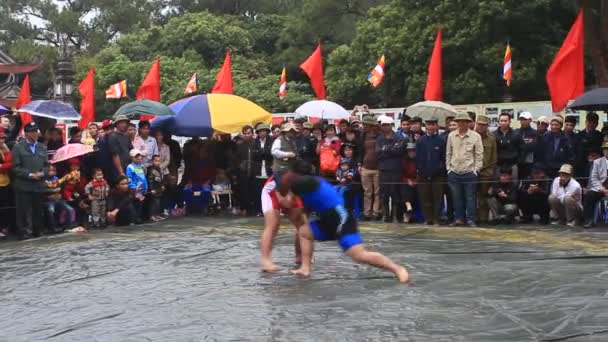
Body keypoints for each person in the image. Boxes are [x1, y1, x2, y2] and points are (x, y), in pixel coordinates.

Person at [276, 172, 409, 283]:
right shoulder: (303, 191)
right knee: (304, 231)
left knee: (358, 255)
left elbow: (289, 202)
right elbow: (298, 212)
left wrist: (283, 198)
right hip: (328, 219)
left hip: (341, 217)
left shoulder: (303, 183)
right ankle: (305, 268)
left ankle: (397, 268)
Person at [259, 173, 308, 273]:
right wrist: (288, 202)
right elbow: (283, 201)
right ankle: (265, 261)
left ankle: (299, 256)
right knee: (273, 224)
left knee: (302, 225)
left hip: (292, 192)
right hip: (273, 191)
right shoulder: (283, 177)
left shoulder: (308, 188)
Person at [446, 113, 483, 227]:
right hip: (454, 171)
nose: (461, 123)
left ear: (468, 123)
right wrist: (449, 169)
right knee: (456, 198)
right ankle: (459, 219)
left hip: (469, 172)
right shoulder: (451, 136)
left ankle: (471, 219)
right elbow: (448, 153)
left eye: (464, 121)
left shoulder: (476, 136)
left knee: (470, 198)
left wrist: (476, 170)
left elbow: (479, 155)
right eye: (459, 121)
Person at [12, 122, 48, 239]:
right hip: (24, 184)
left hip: (38, 184)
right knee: (22, 210)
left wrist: (43, 173)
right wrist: (30, 174)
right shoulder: (18, 147)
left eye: (36, 131)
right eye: (32, 131)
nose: (35, 133)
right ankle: (24, 232)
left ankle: (39, 230)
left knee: (38, 209)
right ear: (26, 133)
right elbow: (15, 167)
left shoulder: (42, 147)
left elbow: (47, 165)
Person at [415, 116, 446, 226]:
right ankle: (428, 219)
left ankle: (436, 219)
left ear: (437, 126)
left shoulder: (441, 140)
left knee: (438, 198)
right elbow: (417, 158)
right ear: (425, 126)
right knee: (425, 198)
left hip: (438, 175)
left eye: (433, 124)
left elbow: (443, 158)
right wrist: (420, 170)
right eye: (428, 124)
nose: (431, 127)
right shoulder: (420, 141)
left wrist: (439, 169)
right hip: (423, 175)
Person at [376, 115, 406, 223]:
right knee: (384, 194)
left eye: (387, 125)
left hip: (395, 169)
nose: (385, 127)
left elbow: (398, 151)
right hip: (383, 169)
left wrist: (386, 150)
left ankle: (396, 216)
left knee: (395, 193)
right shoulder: (379, 138)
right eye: (383, 125)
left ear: (391, 125)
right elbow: (378, 152)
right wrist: (390, 149)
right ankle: (386, 215)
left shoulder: (399, 137)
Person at [358, 116, 382, 221]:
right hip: (365, 167)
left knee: (377, 192)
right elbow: (360, 151)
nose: (364, 126)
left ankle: (376, 212)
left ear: (372, 126)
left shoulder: (379, 136)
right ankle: (367, 213)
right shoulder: (362, 135)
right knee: (367, 192)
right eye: (363, 124)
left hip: (378, 168)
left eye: (366, 124)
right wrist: (359, 164)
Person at [475, 115, 497, 225]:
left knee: (484, 197)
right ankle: (474, 217)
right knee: (472, 197)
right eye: (479, 124)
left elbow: (494, 158)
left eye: (483, 125)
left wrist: (490, 171)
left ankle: (483, 218)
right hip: (472, 171)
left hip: (486, 172)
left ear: (487, 126)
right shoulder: (471, 136)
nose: (480, 127)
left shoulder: (491, 138)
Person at [45, 164, 78, 233]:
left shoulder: (57, 179)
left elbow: (63, 189)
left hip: (59, 199)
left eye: (53, 171)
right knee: (51, 210)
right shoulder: (44, 180)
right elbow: (42, 190)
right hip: (49, 200)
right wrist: (52, 191)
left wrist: (60, 191)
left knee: (70, 209)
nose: (52, 172)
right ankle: (53, 227)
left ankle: (69, 225)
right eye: (50, 171)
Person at [583, 141, 608, 228]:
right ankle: (589, 220)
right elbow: (594, 178)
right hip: (601, 188)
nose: (607, 151)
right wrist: (602, 189)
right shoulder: (597, 162)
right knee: (589, 195)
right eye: (605, 150)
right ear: (603, 151)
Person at [575, 112, 602, 185]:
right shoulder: (579, 135)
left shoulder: (600, 135)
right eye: (589, 122)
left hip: (597, 165)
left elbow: (601, 149)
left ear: (597, 123)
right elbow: (577, 151)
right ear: (586, 122)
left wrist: (597, 155)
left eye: (594, 122)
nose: (591, 124)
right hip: (582, 165)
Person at [236, 125, 257, 216]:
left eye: (249, 133)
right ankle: (245, 208)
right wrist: (240, 165)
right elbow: (236, 159)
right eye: (245, 134)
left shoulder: (256, 144)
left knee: (254, 190)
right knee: (243, 191)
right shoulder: (239, 146)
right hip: (243, 171)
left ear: (252, 133)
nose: (247, 135)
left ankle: (255, 209)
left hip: (255, 171)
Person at [493, 113, 521, 180]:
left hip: (513, 165)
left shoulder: (516, 134)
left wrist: (518, 162)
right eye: (501, 121)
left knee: (514, 185)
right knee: (497, 186)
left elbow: (522, 149)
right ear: (499, 122)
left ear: (510, 122)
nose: (503, 123)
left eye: (505, 121)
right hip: (498, 165)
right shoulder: (493, 135)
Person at [108, 115, 132, 182]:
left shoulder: (126, 136)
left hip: (128, 166)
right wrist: (121, 172)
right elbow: (115, 155)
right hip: (119, 168)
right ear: (116, 125)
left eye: (124, 123)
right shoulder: (113, 136)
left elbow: (132, 151)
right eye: (121, 123)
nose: (123, 125)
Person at [126, 149, 147, 223]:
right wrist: (134, 188)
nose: (138, 157)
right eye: (136, 156)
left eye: (139, 156)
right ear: (131, 157)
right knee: (135, 204)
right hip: (135, 190)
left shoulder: (142, 166)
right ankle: (134, 219)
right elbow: (129, 178)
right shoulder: (130, 167)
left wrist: (146, 187)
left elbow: (144, 177)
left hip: (142, 189)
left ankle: (138, 218)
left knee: (140, 205)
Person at [516, 112, 538, 181]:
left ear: (530, 120)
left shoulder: (535, 133)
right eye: (521, 120)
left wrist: (522, 145)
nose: (523, 122)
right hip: (517, 163)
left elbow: (532, 147)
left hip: (530, 163)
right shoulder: (516, 132)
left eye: (525, 120)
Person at [401, 143, 417, 223]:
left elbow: (419, 173)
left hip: (416, 181)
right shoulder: (404, 161)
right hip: (406, 181)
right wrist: (407, 181)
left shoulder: (418, 160)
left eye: (413, 151)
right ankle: (407, 205)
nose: (411, 153)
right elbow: (401, 174)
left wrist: (416, 181)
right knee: (405, 189)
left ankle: (408, 214)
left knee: (413, 193)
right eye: (410, 151)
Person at [147, 155, 166, 222]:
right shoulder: (151, 169)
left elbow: (161, 178)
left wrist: (162, 185)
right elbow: (150, 180)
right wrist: (151, 189)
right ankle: (152, 215)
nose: (158, 162)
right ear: (152, 161)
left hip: (159, 188)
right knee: (153, 203)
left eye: (159, 161)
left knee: (158, 202)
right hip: (154, 189)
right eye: (156, 161)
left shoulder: (159, 169)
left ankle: (157, 214)